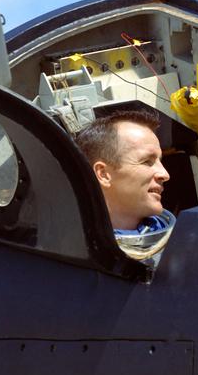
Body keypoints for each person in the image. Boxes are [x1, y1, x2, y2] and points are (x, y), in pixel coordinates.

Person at [74, 108, 176, 264]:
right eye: (147, 161)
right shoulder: (73, 258)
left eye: (159, 161)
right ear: (103, 174)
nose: (165, 174)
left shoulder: (179, 245)